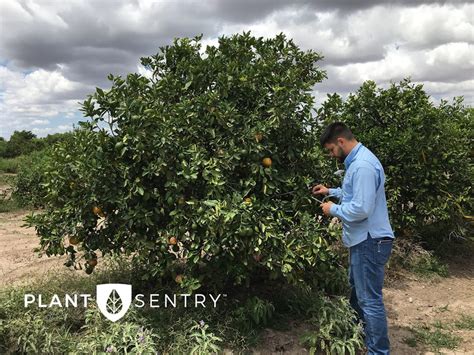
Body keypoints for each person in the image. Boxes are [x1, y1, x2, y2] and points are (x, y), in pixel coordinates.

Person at [312, 122, 395, 355]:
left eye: (330, 150)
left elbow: (361, 208)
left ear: (340, 142)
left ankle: (378, 352)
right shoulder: (358, 162)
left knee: (370, 301)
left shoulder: (362, 166)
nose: (331, 155)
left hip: (369, 241)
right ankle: (356, 336)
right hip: (364, 240)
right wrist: (331, 192)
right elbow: (354, 194)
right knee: (359, 295)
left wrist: (333, 209)